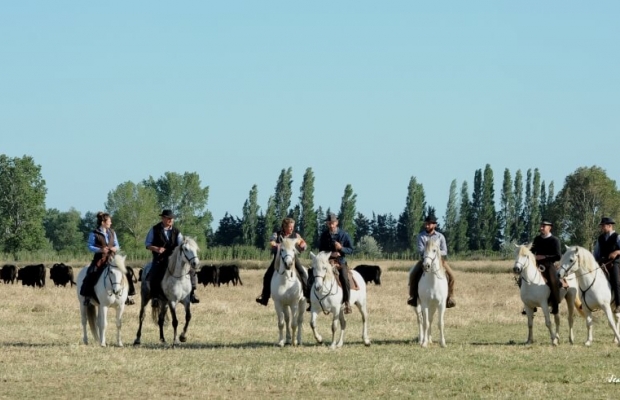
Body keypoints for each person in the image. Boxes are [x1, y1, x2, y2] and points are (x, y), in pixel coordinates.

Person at [145, 209, 199, 305]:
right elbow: (148, 244)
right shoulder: (154, 229)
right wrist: (156, 248)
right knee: (154, 272)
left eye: (172, 219)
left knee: (191, 270)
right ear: (163, 218)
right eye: (169, 218)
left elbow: (181, 243)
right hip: (159, 258)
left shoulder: (176, 231)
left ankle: (192, 294)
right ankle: (155, 297)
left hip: (174, 259)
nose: (171, 220)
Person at [255, 217, 309, 306]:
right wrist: (277, 245)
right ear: (284, 226)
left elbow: (303, 244)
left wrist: (303, 245)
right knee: (267, 275)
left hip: (292, 258)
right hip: (279, 258)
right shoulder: (277, 234)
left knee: (303, 273)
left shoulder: (296, 236)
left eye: (293, 227)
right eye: (290, 227)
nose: (292, 229)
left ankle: (307, 296)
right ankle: (265, 298)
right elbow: (271, 242)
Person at [407, 215, 456, 308]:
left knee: (452, 276)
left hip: (439, 261)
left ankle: (450, 297)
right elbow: (420, 250)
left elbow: (444, 251)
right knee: (412, 275)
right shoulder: (421, 236)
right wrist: (428, 253)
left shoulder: (440, 237)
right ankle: (413, 297)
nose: (427, 226)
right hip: (424, 260)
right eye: (426, 224)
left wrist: (436, 252)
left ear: (435, 225)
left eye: (429, 224)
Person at [314, 213, 354, 314]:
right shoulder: (324, 235)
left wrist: (341, 249)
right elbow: (321, 250)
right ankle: (311, 300)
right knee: (314, 274)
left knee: (345, 278)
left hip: (340, 262)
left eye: (333, 223)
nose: (331, 225)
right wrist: (331, 253)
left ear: (336, 222)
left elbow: (351, 250)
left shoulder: (344, 234)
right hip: (326, 262)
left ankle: (346, 302)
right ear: (327, 224)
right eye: (329, 223)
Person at [80, 212, 120, 305]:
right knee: (91, 273)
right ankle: (87, 296)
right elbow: (90, 246)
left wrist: (115, 248)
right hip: (99, 259)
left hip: (112, 258)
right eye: (109, 221)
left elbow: (117, 244)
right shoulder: (94, 233)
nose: (111, 223)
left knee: (126, 271)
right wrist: (100, 250)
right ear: (103, 222)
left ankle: (128, 296)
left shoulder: (112, 232)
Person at [527, 219, 562, 315]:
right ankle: (529, 304)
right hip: (536, 264)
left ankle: (555, 305)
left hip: (549, 265)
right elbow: (532, 251)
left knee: (553, 281)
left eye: (544, 226)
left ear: (549, 228)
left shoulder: (555, 240)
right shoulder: (537, 239)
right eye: (541, 226)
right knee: (524, 279)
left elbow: (558, 256)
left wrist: (545, 256)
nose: (541, 228)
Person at [593, 216, 620, 314]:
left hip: (614, 263)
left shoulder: (617, 236)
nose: (602, 228)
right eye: (601, 226)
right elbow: (595, 253)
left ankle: (618, 304)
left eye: (603, 226)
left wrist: (617, 252)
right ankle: (589, 303)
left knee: (616, 281)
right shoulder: (600, 238)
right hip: (602, 262)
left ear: (609, 226)